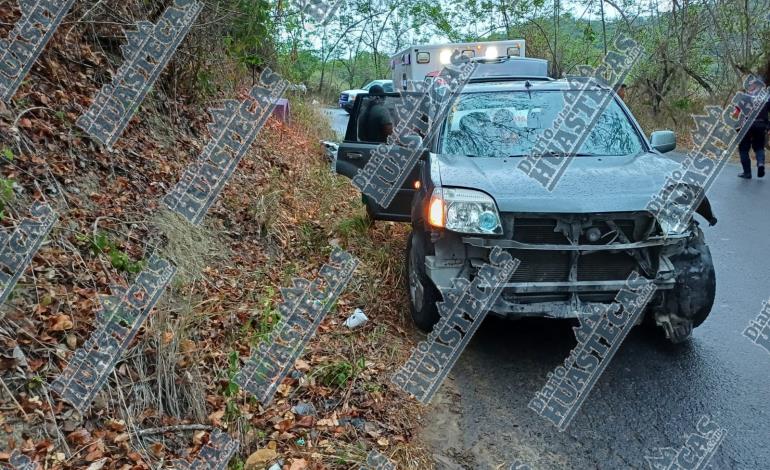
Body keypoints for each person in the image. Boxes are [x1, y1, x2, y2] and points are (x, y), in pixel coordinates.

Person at [737, 75, 770, 179]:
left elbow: (736, 113)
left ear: (754, 84)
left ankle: (747, 173)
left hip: (746, 126)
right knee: (759, 147)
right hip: (761, 125)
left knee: (743, 149)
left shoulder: (745, 96)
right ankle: (760, 164)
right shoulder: (767, 98)